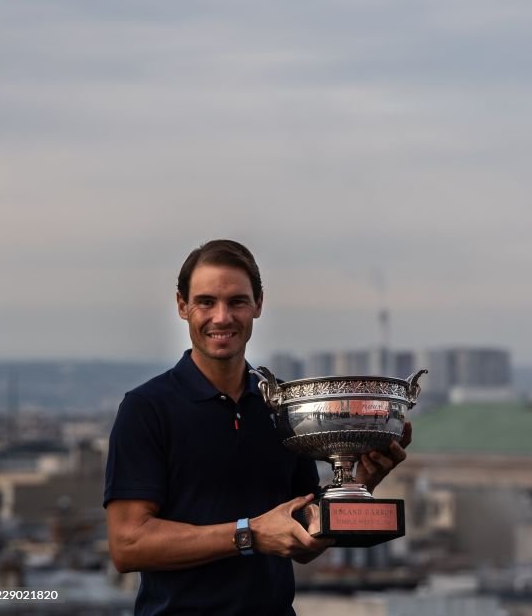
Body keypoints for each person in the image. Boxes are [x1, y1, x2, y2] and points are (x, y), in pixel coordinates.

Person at [104, 239, 411, 615]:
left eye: (237, 302)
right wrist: (249, 534)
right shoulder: (147, 409)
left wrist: (359, 483)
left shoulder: (283, 409)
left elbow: (302, 540)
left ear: (258, 305)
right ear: (182, 306)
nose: (221, 317)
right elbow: (127, 545)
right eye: (206, 302)